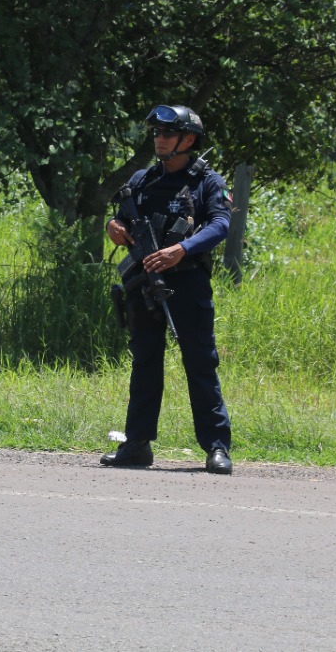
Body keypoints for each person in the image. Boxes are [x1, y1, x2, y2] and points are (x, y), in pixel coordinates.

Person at [102, 105, 235, 475]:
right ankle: (137, 445)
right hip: (143, 281)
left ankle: (217, 446)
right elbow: (123, 219)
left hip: (187, 281)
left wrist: (182, 249)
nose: (158, 139)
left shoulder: (207, 182)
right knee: (145, 361)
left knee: (200, 362)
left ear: (188, 139)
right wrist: (113, 224)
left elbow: (221, 224)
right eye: (156, 133)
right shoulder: (144, 179)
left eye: (167, 133)